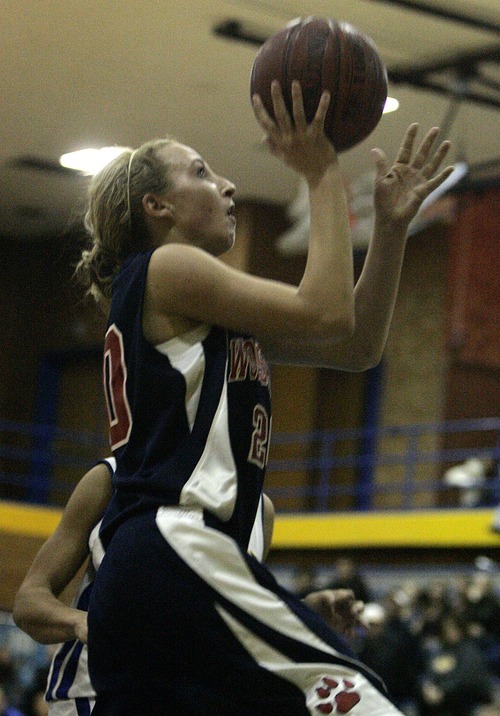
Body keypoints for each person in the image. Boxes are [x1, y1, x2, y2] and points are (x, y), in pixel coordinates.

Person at [74, 79, 453, 715]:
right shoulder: (169, 267)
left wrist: (389, 229)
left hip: (153, 577)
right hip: (174, 544)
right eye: (199, 171)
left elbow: (354, 347)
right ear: (157, 208)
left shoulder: (205, 315)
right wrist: (321, 168)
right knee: (361, 703)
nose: (224, 184)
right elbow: (328, 309)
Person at [14, 460, 361, 715]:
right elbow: (29, 603)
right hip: (95, 695)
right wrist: (81, 622)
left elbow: (223, 621)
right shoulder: (113, 478)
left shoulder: (259, 509)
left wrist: (303, 614)